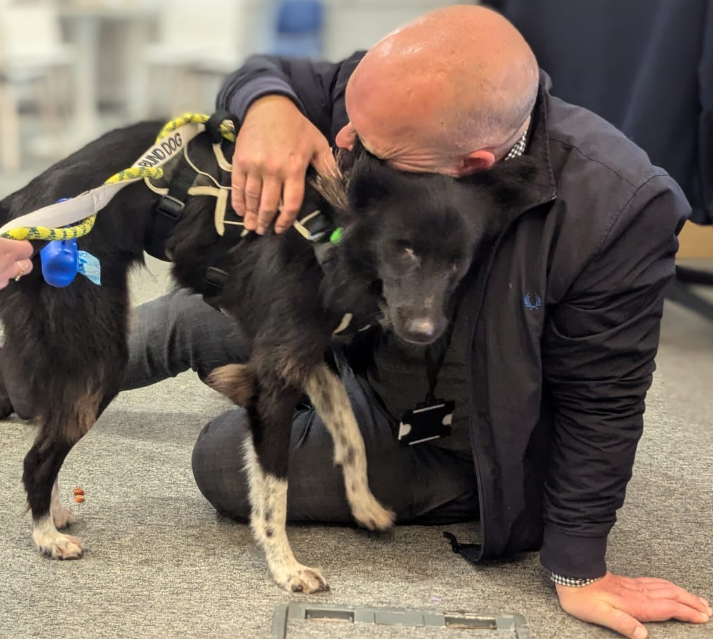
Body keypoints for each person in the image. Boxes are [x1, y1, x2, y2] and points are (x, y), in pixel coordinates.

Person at [3, 5, 709, 638]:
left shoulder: (619, 210)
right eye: (352, 124)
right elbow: (273, 72)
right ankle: (25, 390)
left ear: (468, 166)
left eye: (373, 149)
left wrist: (579, 564)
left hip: (458, 422)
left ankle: (351, 433)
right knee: (179, 320)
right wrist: (268, 105)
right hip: (355, 318)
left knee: (222, 460)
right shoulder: (393, 99)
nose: (342, 142)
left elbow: (603, 400)